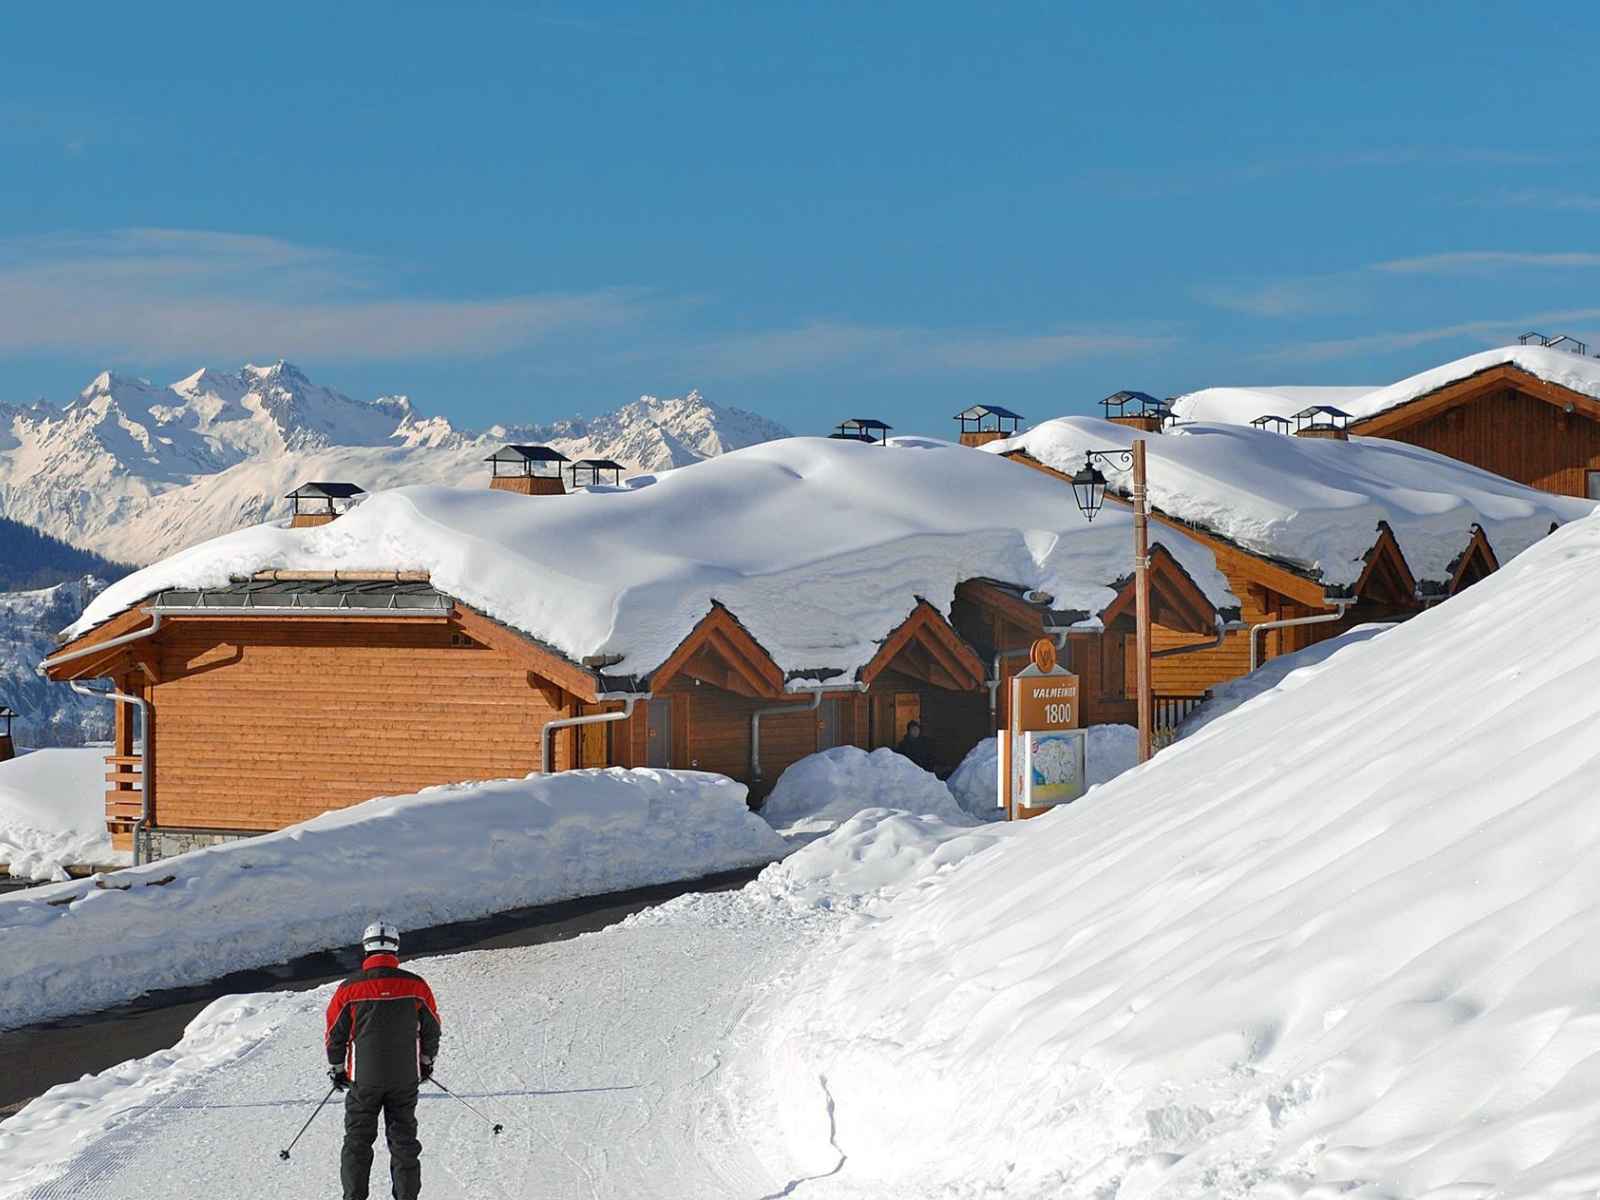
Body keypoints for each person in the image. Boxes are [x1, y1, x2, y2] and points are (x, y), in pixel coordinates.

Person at [325, 921, 442, 1200]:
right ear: (395, 948)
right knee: (404, 1143)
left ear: (366, 949)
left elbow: (334, 1033)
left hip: (364, 1079)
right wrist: (426, 1061)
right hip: (404, 1077)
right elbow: (432, 1028)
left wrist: (337, 1068)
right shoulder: (416, 985)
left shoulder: (349, 989)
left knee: (357, 1141)